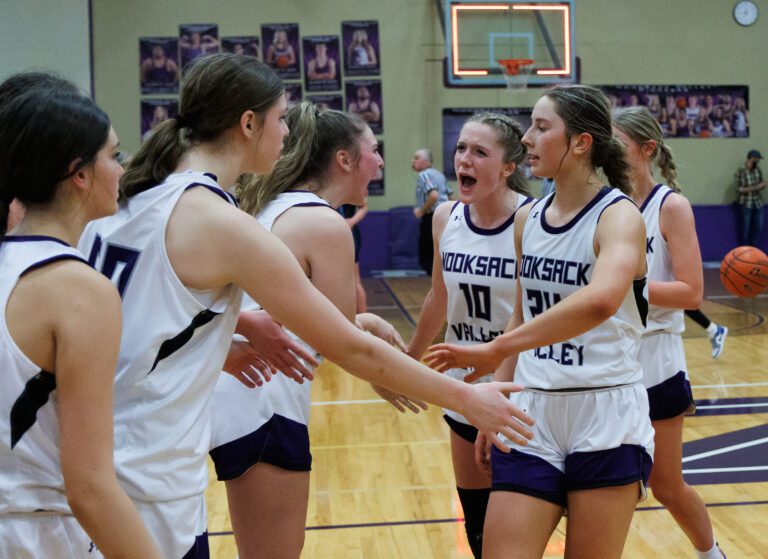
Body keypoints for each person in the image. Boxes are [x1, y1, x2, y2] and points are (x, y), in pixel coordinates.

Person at [78, 53, 534, 558]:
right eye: (279, 120)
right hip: (147, 468)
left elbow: (131, 312)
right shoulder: (219, 219)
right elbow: (348, 349)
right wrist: (469, 399)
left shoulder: (133, 200)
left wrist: (229, 329)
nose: (286, 135)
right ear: (248, 124)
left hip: (95, 450)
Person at [426, 85, 655, 559]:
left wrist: (493, 351)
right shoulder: (527, 219)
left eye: (541, 126)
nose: (527, 137)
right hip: (532, 413)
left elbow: (602, 300)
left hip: (605, 413)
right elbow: (519, 312)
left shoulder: (619, 217)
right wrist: (497, 397)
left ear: (580, 142)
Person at [210, 103, 419, 559]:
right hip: (262, 400)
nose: (380, 161)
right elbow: (343, 346)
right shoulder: (322, 221)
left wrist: (368, 322)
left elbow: (326, 324)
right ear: (344, 160)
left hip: (232, 394)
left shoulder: (271, 206)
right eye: (374, 150)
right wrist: (450, 394)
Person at [0, 78, 160, 558]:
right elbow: (89, 489)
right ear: (79, 174)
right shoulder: (78, 289)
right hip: (35, 536)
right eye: (113, 155)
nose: (123, 167)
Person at [407, 113, 533, 558]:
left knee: (518, 529)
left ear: (508, 167)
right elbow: (438, 298)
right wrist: (406, 360)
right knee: (478, 528)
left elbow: (530, 317)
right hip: (465, 387)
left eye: (480, 152)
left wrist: (498, 388)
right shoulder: (446, 217)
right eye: (462, 148)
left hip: (520, 386)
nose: (465, 159)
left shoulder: (531, 220)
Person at [614, 106, 726, 559]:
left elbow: (692, 292)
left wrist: (626, 288)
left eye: (619, 147)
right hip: (615, 357)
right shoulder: (611, 204)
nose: (610, 156)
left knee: (666, 485)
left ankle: (711, 554)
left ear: (647, 149)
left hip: (657, 358)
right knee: (604, 481)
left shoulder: (671, 206)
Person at [412, 148, 452, 274]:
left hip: (432, 217)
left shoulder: (424, 174)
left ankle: (435, 287)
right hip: (447, 216)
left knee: (428, 256)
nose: (413, 161)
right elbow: (451, 197)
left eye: (416, 157)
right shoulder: (440, 175)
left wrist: (421, 210)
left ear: (427, 162)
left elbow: (434, 195)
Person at [339, 201, 369, 312]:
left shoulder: (351, 187)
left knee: (355, 280)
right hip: (329, 232)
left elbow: (364, 207)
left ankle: (364, 321)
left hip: (349, 234)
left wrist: (351, 222)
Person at [735, 149, 765, 247]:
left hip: (758, 202)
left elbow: (761, 184)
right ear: (752, 159)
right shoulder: (741, 171)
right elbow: (740, 189)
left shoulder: (757, 170)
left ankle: (753, 248)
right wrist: (757, 186)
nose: (758, 161)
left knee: (758, 227)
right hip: (746, 203)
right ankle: (744, 250)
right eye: (757, 159)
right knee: (745, 229)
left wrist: (763, 185)